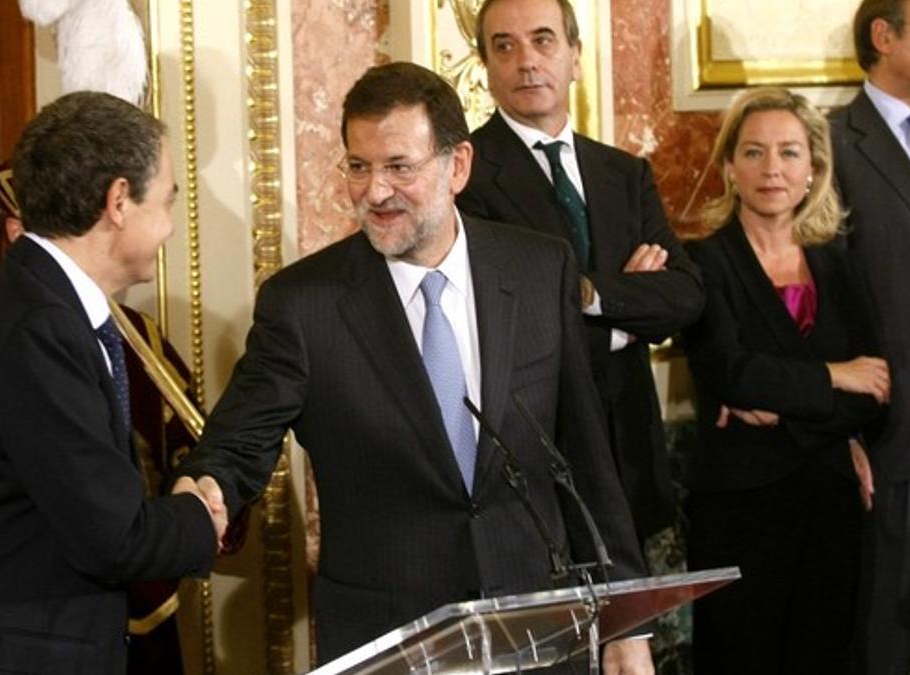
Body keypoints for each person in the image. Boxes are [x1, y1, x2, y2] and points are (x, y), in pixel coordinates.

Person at [173, 62, 652, 673]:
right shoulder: (304, 304)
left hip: (537, 631)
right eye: (358, 166)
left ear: (458, 167)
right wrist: (209, 484)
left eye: (399, 167)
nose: (374, 192)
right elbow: (242, 439)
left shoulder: (539, 269)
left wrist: (624, 618)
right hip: (390, 638)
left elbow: (585, 458)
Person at [0, 91, 225, 674]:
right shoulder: (38, 328)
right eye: (166, 202)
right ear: (118, 201)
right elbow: (112, 537)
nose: (168, 227)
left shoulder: (34, 304)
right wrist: (197, 516)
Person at [456, 0, 704, 544]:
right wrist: (629, 308)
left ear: (575, 56)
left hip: (629, 456)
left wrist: (588, 293)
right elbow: (505, 322)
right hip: (539, 458)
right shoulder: (464, 177)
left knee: (633, 628)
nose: (526, 61)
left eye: (543, 41)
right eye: (505, 46)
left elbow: (686, 295)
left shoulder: (623, 172)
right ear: (486, 65)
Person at [681, 87, 889, 674]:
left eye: (789, 153)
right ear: (729, 167)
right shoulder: (702, 262)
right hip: (739, 508)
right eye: (754, 152)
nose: (772, 168)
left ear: (813, 169)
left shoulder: (840, 261)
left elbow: (873, 388)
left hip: (831, 507)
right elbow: (728, 370)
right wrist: (831, 377)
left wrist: (783, 398)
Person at [831, 1, 910, 672]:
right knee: (883, 645)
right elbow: (815, 291)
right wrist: (840, 426)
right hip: (894, 441)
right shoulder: (830, 142)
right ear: (883, 35)